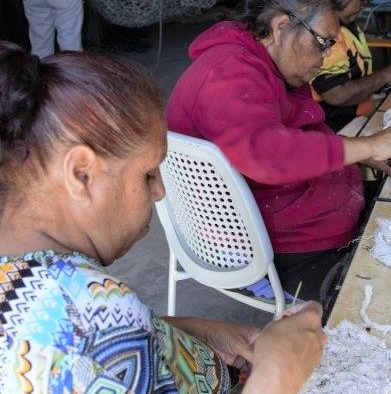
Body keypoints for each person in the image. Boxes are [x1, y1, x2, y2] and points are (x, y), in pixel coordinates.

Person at [0, 42, 326, 393]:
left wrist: (184, 336)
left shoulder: (53, 296)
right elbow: (94, 342)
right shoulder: (87, 320)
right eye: (147, 175)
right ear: (82, 174)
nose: (160, 192)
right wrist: (279, 373)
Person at [166, 0, 391, 302]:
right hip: (281, 250)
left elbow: (293, 137)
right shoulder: (227, 74)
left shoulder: (266, 67)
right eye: (322, 42)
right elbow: (270, 154)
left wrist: (359, 150)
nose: (327, 54)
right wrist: (366, 145)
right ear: (282, 27)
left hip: (307, 217)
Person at [313, 0, 391, 132]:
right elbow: (337, 94)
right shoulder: (325, 32)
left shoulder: (348, 25)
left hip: (357, 115)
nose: (363, 7)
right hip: (335, 130)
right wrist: (384, 76)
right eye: (362, 0)